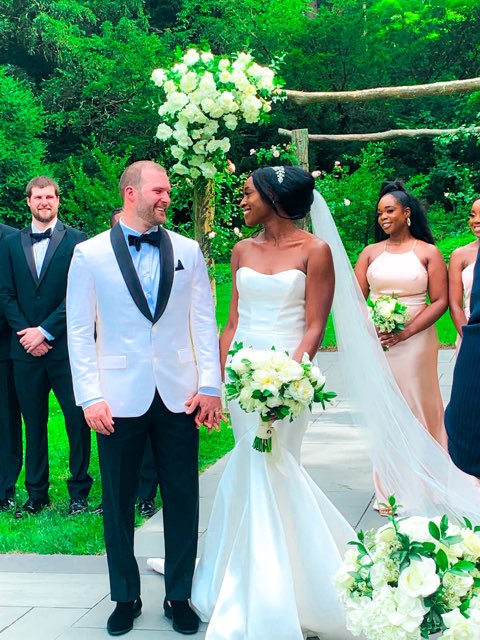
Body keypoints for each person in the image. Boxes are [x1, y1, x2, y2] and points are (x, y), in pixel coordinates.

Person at [189, 166, 354, 639]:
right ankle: (243, 581)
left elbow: (315, 326)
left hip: (288, 379)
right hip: (243, 378)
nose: (240, 201)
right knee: (249, 468)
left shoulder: (316, 252)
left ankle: (284, 592)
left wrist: (289, 381)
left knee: (276, 467)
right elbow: (233, 321)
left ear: (274, 198)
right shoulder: (243, 249)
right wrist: (219, 383)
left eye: (246, 194)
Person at [66, 160, 223, 637]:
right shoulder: (89, 255)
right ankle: (124, 596)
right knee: (117, 500)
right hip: (116, 398)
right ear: (130, 193)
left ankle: (179, 595)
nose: (167, 197)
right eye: (158, 190)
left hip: (179, 395)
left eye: (168, 190)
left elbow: (203, 321)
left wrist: (210, 385)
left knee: (182, 495)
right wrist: (90, 397)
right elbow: (78, 330)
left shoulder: (188, 250)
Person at [0, 176, 92, 517]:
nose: (44, 202)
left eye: (50, 196)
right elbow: (5, 294)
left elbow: (79, 294)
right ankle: (36, 493)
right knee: (32, 424)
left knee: (76, 421)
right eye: (38, 197)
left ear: (57, 200)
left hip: (65, 349)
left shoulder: (78, 241)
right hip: (23, 351)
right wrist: (26, 331)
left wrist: (46, 331)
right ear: (28, 202)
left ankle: (79, 492)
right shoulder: (11, 243)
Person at [354, 181, 448, 512]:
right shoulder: (369, 253)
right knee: (387, 410)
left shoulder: (428, 252)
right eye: (379, 213)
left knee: (418, 407)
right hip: (378, 343)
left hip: (417, 341)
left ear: (407, 213)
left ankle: (426, 483)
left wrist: (406, 332)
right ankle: (390, 489)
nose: (383, 217)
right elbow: (355, 298)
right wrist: (368, 328)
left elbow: (440, 301)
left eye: (390, 211)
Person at [445, 244, 480, 477]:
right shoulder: (462, 254)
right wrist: (468, 336)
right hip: (472, 336)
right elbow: (456, 303)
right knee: (464, 415)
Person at [0, 223, 22, 511]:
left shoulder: (11, 239)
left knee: (5, 424)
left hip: (2, 348)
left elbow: (12, 293)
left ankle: (5, 489)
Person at [448, 196, 480, 347]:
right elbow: (455, 304)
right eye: (473, 215)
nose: (476, 220)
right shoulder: (460, 255)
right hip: (469, 332)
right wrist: (469, 339)